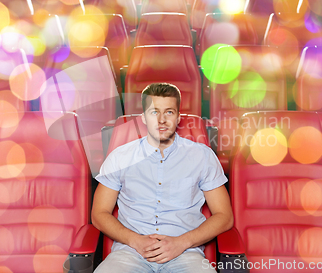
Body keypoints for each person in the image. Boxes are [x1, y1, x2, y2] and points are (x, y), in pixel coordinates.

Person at [91, 83, 233, 273]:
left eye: (169, 112)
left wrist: (181, 243)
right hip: (130, 253)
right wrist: (136, 241)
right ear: (143, 118)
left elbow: (224, 216)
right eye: (154, 112)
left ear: (178, 117)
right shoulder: (120, 157)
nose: (161, 120)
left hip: (185, 253)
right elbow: (99, 213)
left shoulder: (202, 156)